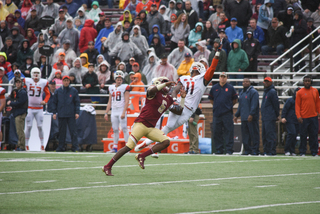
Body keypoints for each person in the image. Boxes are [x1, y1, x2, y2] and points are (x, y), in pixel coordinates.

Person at [135, 54, 221, 155]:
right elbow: (175, 90)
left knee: (168, 127)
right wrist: (216, 55)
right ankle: (152, 149)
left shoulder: (195, 79)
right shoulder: (190, 79)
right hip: (182, 105)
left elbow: (175, 90)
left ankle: (146, 143)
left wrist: (217, 55)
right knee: (169, 127)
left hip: (185, 107)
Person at [103, 77, 186, 176]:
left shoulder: (168, 99)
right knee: (129, 146)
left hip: (151, 128)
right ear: (158, 83)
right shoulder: (153, 93)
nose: (167, 85)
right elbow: (152, 89)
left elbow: (179, 111)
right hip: (141, 124)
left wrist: (183, 98)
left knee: (166, 141)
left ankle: (142, 156)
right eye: (164, 82)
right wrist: (165, 84)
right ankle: (108, 166)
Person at [209, 72, 238, 155]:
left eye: (224, 77)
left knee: (228, 132)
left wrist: (228, 106)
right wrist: (216, 106)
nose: (222, 78)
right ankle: (219, 149)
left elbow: (235, 100)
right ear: (219, 78)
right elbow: (211, 99)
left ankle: (229, 150)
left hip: (227, 114)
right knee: (217, 132)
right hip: (217, 114)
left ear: (226, 78)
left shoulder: (230, 88)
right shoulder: (214, 88)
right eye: (221, 77)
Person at [24, 68, 50, 151]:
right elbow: (22, 91)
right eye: (34, 73)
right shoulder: (27, 81)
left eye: (37, 73)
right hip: (30, 107)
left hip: (39, 108)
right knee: (29, 126)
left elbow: (48, 94)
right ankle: (26, 144)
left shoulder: (43, 82)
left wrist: (45, 101)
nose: (36, 75)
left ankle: (42, 145)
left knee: (40, 126)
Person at [104, 71, 130, 153]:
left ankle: (127, 147)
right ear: (115, 79)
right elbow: (109, 101)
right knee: (115, 129)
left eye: (120, 79)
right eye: (118, 79)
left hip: (121, 109)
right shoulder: (111, 88)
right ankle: (115, 147)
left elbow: (127, 101)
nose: (119, 81)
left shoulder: (125, 87)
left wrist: (123, 112)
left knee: (124, 128)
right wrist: (106, 112)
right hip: (114, 110)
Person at [52, 75, 80, 152]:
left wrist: (77, 112)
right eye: (65, 80)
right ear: (62, 81)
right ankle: (61, 147)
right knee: (61, 132)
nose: (66, 82)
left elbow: (77, 102)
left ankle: (75, 147)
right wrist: (54, 112)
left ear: (69, 81)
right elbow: (54, 102)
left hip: (71, 114)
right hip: (61, 114)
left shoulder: (73, 91)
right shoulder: (58, 91)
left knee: (73, 132)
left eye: (67, 81)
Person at [234, 78, 260, 155]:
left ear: (250, 83)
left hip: (251, 118)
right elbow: (240, 106)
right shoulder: (242, 93)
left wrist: (251, 114)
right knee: (245, 136)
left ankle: (255, 150)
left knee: (254, 134)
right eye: (244, 82)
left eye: (247, 81)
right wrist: (236, 115)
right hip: (244, 117)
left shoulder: (253, 92)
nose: (245, 83)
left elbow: (254, 105)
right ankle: (247, 150)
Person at [295, 76, 320, 157]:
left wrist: (319, 112)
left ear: (311, 82)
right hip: (303, 117)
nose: (307, 82)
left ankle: (314, 151)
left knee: (314, 135)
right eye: (305, 81)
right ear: (303, 82)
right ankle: (302, 151)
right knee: (303, 135)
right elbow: (297, 105)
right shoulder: (299, 92)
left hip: (313, 116)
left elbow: (317, 103)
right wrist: (298, 116)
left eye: (308, 81)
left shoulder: (315, 91)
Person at [6, 77, 28, 151]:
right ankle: (20, 145)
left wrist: (11, 103)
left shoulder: (22, 92)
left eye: (19, 82)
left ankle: (22, 146)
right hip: (18, 113)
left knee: (20, 130)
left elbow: (20, 103)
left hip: (20, 113)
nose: (18, 84)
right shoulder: (19, 91)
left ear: (21, 83)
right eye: (17, 82)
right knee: (19, 130)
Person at [261, 77, 279, 156]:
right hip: (265, 117)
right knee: (265, 135)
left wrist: (276, 114)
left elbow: (276, 104)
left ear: (271, 83)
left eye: (267, 82)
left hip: (270, 117)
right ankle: (266, 150)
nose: (266, 83)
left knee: (270, 135)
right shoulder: (266, 91)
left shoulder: (272, 92)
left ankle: (271, 151)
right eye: (265, 82)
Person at [281, 87, 300, 156]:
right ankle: (287, 150)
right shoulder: (290, 100)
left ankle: (292, 150)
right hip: (290, 120)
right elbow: (285, 109)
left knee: (294, 135)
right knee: (291, 133)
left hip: (297, 120)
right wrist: (283, 117)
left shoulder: (301, 101)